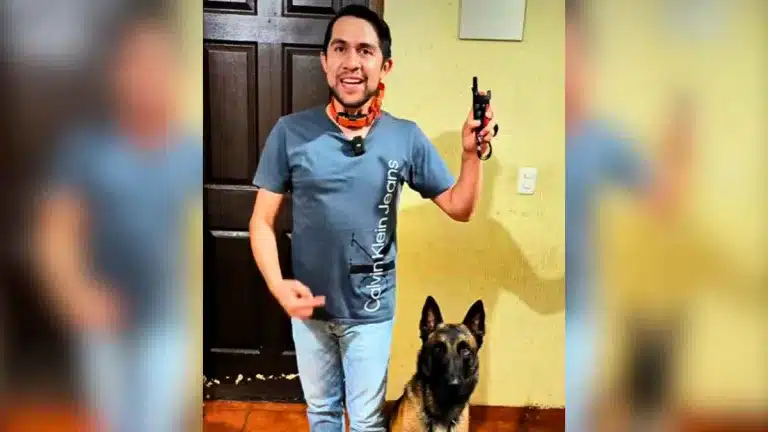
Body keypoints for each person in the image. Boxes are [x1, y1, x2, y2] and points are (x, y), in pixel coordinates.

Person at [248, 5, 498, 431]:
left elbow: (461, 207)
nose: (351, 61)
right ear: (325, 61)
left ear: (385, 66)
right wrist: (277, 285)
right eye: (340, 48)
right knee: (322, 414)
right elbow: (260, 222)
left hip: (371, 312)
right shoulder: (289, 132)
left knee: (365, 421)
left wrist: (470, 155)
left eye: (365, 50)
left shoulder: (405, 136)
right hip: (309, 314)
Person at [34, 12, 201, 432]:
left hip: (164, 320)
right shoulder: (84, 147)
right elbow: (54, 231)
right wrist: (77, 295)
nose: (149, 77)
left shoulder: (188, 150)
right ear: (117, 73)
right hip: (102, 323)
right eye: (137, 63)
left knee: (157, 423)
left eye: (160, 64)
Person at [564, 4, 693, 432]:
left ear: (588, 63)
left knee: (578, 415)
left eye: (575, 58)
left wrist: (680, 141)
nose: (569, 73)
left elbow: (663, 198)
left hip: (580, 311)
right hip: (548, 306)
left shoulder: (600, 138)